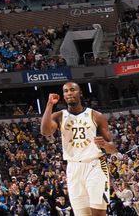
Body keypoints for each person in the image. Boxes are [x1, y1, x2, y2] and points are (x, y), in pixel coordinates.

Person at [41, 81, 116, 216]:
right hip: (73, 168)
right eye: (66, 91)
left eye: (72, 90)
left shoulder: (96, 115)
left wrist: (104, 145)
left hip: (95, 165)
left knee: (98, 212)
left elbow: (113, 148)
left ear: (80, 93)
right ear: (63, 95)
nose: (69, 93)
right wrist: (49, 104)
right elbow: (45, 131)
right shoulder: (59, 116)